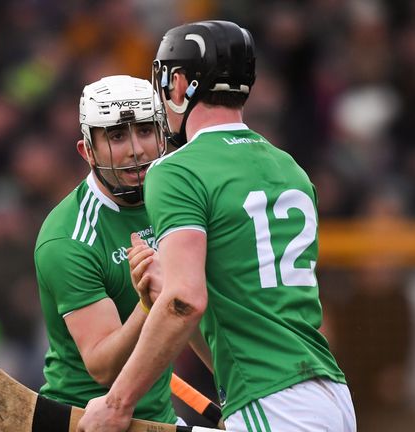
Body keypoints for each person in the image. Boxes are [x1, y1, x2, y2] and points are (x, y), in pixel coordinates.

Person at [77, 21, 356, 431]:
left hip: (273, 401)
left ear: (179, 84)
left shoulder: (177, 170)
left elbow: (186, 301)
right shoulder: (289, 167)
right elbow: (238, 300)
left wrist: (118, 403)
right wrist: (166, 285)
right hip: (328, 394)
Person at [33, 75, 177, 424]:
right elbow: (102, 366)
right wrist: (149, 303)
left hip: (160, 419)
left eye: (145, 130)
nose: (135, 149)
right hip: (88, 419)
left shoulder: (176, 201)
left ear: (163, 135)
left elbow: (192, 308)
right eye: (116, 136)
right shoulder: (68, 239)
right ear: (87, 151)